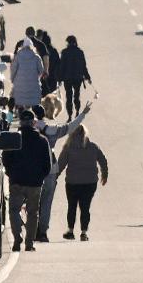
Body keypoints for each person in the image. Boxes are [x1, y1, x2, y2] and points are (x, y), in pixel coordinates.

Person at [34, 102, 91, 242]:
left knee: (33, 201)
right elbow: (71, 126)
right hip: (51, 168)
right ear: (45, 115)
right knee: (47, 201)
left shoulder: (28, 127)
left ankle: (32, 229)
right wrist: (83, 113)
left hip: (34, 168)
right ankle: (43, 232)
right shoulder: (52, 129)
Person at [3, 109, 52, 251]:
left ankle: (17, 238)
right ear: (34, 123)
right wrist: (40, 178)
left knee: (14, 210)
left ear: (21, 122)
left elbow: (6, 160)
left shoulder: (14, 139)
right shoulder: (42, 141)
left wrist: (11, 174)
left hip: (17, 181)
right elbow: (47, 165)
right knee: (32, 213)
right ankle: (29, 243)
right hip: (34, 183)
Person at [56, 125, 108, 241]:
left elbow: (60, 165)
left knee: (72, 206)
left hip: (72, 182)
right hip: (90, 182)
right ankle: (84, 233)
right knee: (85, 207)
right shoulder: (93, 147)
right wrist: (104, 175)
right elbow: (103, 160)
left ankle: (70, 231)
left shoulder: (68, 148)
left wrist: (54, 177)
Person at [58, 35, 91, 118]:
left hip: (67, 78)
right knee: (76, 95)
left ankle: (69, 115)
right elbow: (83, 66)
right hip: (78, 78)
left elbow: (62, 67)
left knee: (68, 97)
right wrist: (88, 77)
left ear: (68, 43)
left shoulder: (64, 52)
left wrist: (59, 79)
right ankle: (77, 111)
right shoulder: (80, 52)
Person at [10, 37, 45, 113]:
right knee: (35, 105)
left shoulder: (18, 56)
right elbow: (41, 70)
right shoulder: (36, 57)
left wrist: (13, 80)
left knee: (16, 102)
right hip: (33, 87)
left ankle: (14, 116)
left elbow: (13, 70)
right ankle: (38, 121)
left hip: (20, 86)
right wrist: (37, 77)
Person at [39, 30, 62, 99]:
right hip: (53, 78)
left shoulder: (40, 51)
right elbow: (58, 64)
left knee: (42, 97)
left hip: (42, 78)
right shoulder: (54, 51)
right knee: (51, 98)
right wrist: (59, 78)